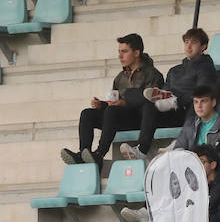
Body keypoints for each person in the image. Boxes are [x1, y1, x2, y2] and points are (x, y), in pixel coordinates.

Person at [62, 33, 164, 167]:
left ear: (137, 52)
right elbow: (116, 102)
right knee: (87, 114)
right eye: (119, 52)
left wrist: (124, 103)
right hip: (118, 116)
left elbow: (151, 100)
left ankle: (99, 154)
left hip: (140, 120)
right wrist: (102, 105)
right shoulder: (120, 77)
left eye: (124, 52)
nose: (120, 56)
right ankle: (83, 154)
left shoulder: (152, 74)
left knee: (112, 112)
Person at [119, 28, 220, 161]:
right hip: (166, 109)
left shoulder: (206, 67)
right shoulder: (175, 70)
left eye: (193, 43)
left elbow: (202, 92)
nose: (188, 46)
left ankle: (178, 142)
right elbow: (166, 89)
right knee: (135, 96)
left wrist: (177, 101)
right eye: (186, 42)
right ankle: (142, 150)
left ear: (203, 46)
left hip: (186, 110)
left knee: (197, 100)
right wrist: (164, 96)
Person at [172, 85, 220, 161]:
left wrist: (204, 164)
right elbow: (178, 148)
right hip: (192, 167)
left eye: (203, 101)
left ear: (213, 102)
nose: (199, 106)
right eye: (196, 102)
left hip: (216, 169)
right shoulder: (190, 123)